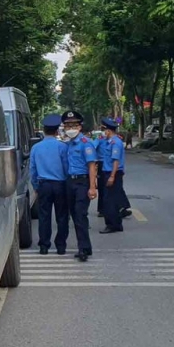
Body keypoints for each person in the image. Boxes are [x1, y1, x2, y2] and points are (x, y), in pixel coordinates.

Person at [29, 114, 69, 255]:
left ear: (44, 130)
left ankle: (44, 246)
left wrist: (35, 186)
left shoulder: (36, 148)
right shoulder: (62, 147)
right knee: (62, 216)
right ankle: (61, 246)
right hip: (60, 185)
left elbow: (32, 169)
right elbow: (66, 167)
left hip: (43, 185)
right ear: (57, 131)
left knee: (44, 216)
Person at [61, 110, 98, 262]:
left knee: (80, 214)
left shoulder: (86, 144)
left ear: (80, 127)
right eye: (67, 125)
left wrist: (92, 187)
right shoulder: (68, 144)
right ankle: (86, 247)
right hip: (70, 182)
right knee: (75, 215)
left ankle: (83, 249)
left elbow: (92, 166)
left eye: (73, 125)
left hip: (82, 183)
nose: (70, 128)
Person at [100, 117, 127, 234]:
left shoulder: (115, 142)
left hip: (113, 173)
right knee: (112, 200)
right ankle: (117, 224)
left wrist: (112, 176)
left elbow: (115, 161)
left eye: (103, 130)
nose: (103, 132)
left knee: (109, 201)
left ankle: (111, 225)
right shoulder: (109, 142)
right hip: (110, 173)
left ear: (108, 131)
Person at [92, 127, 108, 218]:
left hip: (110, 163)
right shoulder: (100, 139)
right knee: (102, 187)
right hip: (102, 164)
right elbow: (93, 147)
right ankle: (102, 209)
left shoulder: (112, 140)